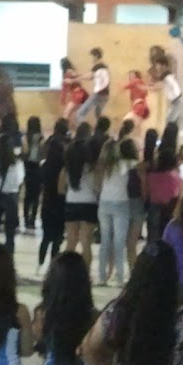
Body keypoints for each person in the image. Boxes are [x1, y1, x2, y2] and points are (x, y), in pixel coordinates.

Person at [96, 137, 136, 287]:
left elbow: (98, 185)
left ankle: (102, 276)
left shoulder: (102, 166)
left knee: (105, 241)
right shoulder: (124, 164)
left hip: (104, 203)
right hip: (121, 204)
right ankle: (119, 277)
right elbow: (139, 163)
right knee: (119, 242)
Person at [61, 130, 99, 270]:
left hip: (71, 203)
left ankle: (64, 271)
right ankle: (85, 273)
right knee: (86, 241)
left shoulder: (67, 169)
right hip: (89, 204)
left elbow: (61, 189)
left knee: (71, 240)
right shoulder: (92, 168)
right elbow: (97, 187)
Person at [37, 129, 68, 273]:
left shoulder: (45, 166)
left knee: (46, 237)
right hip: (60, 204)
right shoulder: (63, 168)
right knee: (57, 238)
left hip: (47, 203)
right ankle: (53, 265)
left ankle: (40, 263)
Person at [21, 116, 46, 233]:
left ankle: (25, 219)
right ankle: (32, 220)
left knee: (27, 195)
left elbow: (25, 152)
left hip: (27, 167)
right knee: (36, 196)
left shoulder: (25, 137)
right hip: (38, 168)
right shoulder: (41, 138)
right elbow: (43, 154)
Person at [78, 48, 112, 122]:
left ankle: (85, 128)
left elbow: (90, 77)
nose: (91, 59)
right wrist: (79, 75)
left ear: (96, 56)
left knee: (80, 114)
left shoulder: (98, 66)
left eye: (91, 56)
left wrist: (74, 79)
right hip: (105, 94)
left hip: (98, 94)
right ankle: (102, 128)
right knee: (98, 115)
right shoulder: (104, 66)